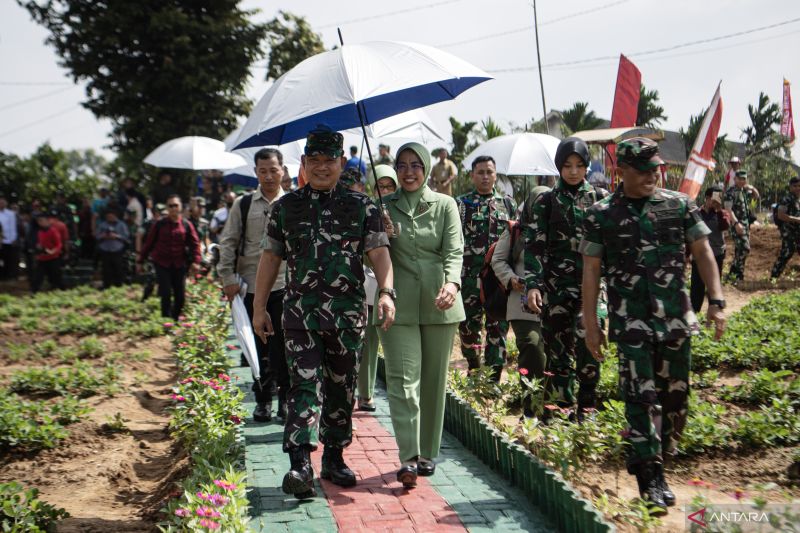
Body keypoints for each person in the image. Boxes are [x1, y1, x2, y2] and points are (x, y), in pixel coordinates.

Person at [580, 137, 727, 515]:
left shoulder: (678, 205)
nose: (651, 175)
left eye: (655, 168)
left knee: (676, 401)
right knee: (640, 399)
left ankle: (660, 458)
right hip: (631, 323)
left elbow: (703, 252)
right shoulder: (601, 214)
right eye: (642, 169)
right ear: (621, 171)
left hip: (676, 320)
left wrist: (717, 301)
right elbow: (591, 270)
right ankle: (650, 478)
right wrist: (592, 322)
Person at [251, 126, 395, 499]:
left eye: (328, 160)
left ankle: (333, 456)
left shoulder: (363, 207)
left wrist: (386, 292)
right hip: (300, 315)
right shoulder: (286, 208)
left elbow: (380, 254)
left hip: (347, 317)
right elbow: (270, 257)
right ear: (302, 164)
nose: (321, 166)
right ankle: (300, 464)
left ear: (341, 162)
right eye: (313, 160)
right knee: (303, 386)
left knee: (340, 387)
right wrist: (259, 306)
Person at [379, 142, 464, 488]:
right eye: (402, 165)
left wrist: (453, 284)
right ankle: (408, 458)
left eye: (416, 165)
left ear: (427, 168)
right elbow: (367, 254)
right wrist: (378, 236)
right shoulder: (382, 208)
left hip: (439, 302)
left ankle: (428, 452)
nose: (409, 171)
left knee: (432, 382)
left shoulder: (445, 205)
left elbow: (454, 250)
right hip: (396, 306)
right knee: (402, 381)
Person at [524, 137, 609, 416]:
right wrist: (533, 286)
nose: (573, 171)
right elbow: (534, 246)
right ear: (559, 167)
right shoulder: (546, 201)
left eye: (579, 165)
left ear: (586, 167)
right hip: (556, 288)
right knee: (558, 349)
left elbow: (609, 247)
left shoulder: (599, 199)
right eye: (567, 165)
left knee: (590, 341)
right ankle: (559, 407)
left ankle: (586, 405)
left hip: (592, 288)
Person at [219, 148, 290, 424]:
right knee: (258, 347)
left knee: (284, 348)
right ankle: (263, 400)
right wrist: (227, 278)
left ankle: (286, 400)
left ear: (283, 170)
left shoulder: (293, 203)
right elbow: (228, 242)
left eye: (274, 170)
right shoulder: (243, 204)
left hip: (285, 285)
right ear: (256, 173)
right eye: (263, 171)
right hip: (250, 287)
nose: (269, 176)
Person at [456, 156, 516, 380]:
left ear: (495, 175)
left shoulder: (508, 204)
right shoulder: (460, 204)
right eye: (479, 172)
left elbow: (517, 239)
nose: (484, 176)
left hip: (497, 280)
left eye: (489, 172)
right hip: (468, 278)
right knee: (468, 328)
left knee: (497, 328)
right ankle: (473, 367)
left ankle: (493, 379)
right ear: (472, 175)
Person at [492, 186, 549, 416]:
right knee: (532, 348)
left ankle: (551, 410)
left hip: (552, 303)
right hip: (522, 302)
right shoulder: (516, 230)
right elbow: (498, 260)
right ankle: (530, 410)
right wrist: (512, 278)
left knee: (552, 355)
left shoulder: (558, 228)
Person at [357, 164, 398, 412]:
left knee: (396, 345)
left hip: (398, 289)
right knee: (368, 343)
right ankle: (366, 393)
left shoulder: (404, 210)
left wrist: (395, 233)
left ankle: (400, 396)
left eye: (389, 186)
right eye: (380, 186)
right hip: (369, 285)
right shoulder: (363, 210)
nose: (385, 190)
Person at [137, 194, 201, 319]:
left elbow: (195, 244)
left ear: (181, 207)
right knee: (165, 293)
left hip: (179, 264)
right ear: (167, 207)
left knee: (180, 296)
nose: (173, 208)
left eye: (175, 205)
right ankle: (165, 321)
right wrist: (140, 261)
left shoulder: (186, 224)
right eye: (170, 206)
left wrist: (196, 261)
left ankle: (175, 320)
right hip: (162, 263)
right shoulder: (159, 224)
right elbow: (149, 243)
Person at [691, 186, 730, 312]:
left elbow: (725, 226)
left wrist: (719, 211)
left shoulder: (722, 214)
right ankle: (695, 312)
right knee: (697, 286)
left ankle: (715, 311)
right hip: (698, 255)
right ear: (707, 198)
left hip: (717, 254)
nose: (715, 201)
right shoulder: (697, 213)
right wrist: (687, 254)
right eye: (713, 198)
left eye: (719, 198)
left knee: (714, 284)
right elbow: (691, 234)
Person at [724, 170, 760, 282]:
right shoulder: (731, 192)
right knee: (745, 249)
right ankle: (735, 272)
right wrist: (736, 224)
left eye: (744, 179)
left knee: (740, 250)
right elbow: (728, 210)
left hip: (745, 224)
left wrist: (752, 188)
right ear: (735, 179)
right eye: (740, 179)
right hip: (737, 225)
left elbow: (757, 196)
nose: (742, 181)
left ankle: (735, 275)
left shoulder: (744, 190)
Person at [771, 176, 800, 278]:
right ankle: (774, 277)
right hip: (788, 231)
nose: (797, 188)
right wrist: (797, 220)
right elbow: (781, 215)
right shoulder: (786, 199)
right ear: (790, 187)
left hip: (797, 231)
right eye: (795, 186)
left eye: (799, 186)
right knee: (787, 252)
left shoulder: (797, 200)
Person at [95, 207, 130, 288]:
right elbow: (97, 236)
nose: (109, 218)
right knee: (106, 269)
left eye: (111, 216)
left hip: (117, 249)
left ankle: (119, 285)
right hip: (105, 249)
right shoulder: (102, 225)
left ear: (115, 216)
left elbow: (126, 237)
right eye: (108, 217)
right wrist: (103, 236)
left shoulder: (121, 225)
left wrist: (116, 236)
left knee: (118, 268)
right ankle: (106, 285)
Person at [31, 212, 65, 292]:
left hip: (53, 258)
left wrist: (53, 251)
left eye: (41, 221)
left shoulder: (53, 231)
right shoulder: (40, 232)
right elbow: (39, 243)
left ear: (47, 221)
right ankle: (34, 292)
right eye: (39, 221)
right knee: (38, 277)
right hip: (42, 258)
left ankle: (59, 291)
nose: (40, 223)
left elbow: (59, 244)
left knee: (56, 277)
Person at [0, 194, 20, 280]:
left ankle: (8, 275)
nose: (1, 204)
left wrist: (13, 238)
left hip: (8, 240)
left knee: (8, 258)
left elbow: (13, 227)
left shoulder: (11, 214)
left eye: (3, 202)